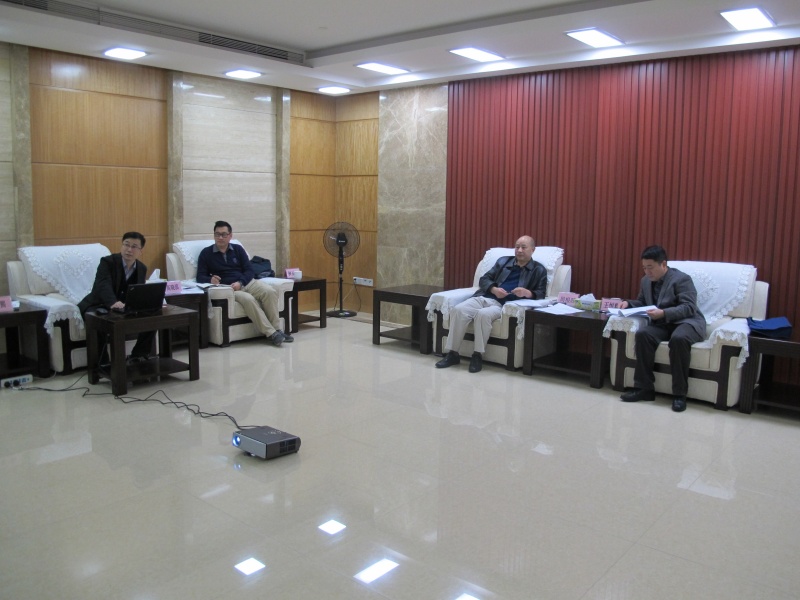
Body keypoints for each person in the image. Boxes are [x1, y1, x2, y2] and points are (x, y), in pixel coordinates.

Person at [436, 235, 547, 373]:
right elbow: (484, 279)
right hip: (484, 297)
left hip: (503, 305)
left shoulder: (538, 270)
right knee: (459, 309)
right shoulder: (503, 261)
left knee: (483, 315)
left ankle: (477, 355)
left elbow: (541, 293)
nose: (519, 250)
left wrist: (526, 292)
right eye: (517, 247)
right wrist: (494, 289)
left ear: (532, 250)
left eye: (523, 247)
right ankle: (453, 354)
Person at [618, 245, 706, 412]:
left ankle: (679, 394)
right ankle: (644, 388)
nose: (647, 272)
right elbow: (643, 302)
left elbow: (689, 307)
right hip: (663, 323)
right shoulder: (645, 281)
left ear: (663, 264)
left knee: (678, 339)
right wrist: (628, 304)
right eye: (644, 268)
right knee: (643, 334)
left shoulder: (682, 279)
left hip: (687, 322)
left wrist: (664, 313)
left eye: (650, 267)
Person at [196, 221, 291, 346]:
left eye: (224, 234)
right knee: (248, 299)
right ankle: (271, 333)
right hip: (229, 288)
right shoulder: (206, 253)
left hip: (247, 282)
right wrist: (210, 280)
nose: (220, 237)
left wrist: (241, 282)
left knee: (270, 292)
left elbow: (249, 270)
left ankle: (278, 330)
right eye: (217, 234)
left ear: (230, 236)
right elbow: (200, 276)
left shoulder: (238, 249)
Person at [78, 232, 155, 363]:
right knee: (98, 321)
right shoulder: (107, 262)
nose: (129, 249)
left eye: (134, 246)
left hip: (123, 307)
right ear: (121, 245)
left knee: (153, 316)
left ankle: (138, 355)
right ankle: (102, 364)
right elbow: (103, 284)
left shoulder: (142, 268)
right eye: (126, 245)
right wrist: (112, 302)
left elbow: (137, 291)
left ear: (141, 251)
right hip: (98, 304)